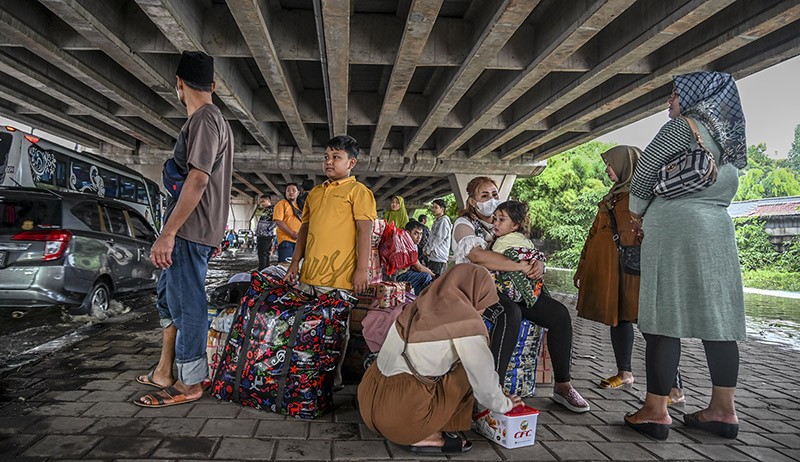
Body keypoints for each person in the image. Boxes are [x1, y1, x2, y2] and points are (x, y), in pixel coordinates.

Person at [623, 72, 747, 441]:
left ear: (694, 97)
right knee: (719, 321)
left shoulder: (684, 127)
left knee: (664, 316)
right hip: (717, 231)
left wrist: (636, 212)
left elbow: (644, 171)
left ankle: (655, 410)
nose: (669, 103)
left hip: (674, 228)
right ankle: (723, 411)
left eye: (674, 95)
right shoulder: (732, 138)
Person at [134, 50, 233, 407]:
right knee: (169, 297)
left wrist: (168, 232)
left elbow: (199, 179)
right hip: (198, 229)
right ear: (213, 84)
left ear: (178, 84)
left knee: (188, 303)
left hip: (189, 230)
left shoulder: (206, 119)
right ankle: (165, 370)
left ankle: (191, 381)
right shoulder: (213, 120)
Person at [451, 176, 589, 413]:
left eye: (495, 194)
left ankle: (563, 386)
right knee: (509, 313)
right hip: (480, 289)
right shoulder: (465, 224)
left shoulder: (508, 224)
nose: (492, 200)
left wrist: (538, 265)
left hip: (513, 287)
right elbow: (477, 256)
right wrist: (521, 266)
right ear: (473, 202)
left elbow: (527, 251)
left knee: (559, 314)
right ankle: (492, 389)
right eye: (484, 196)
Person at [358, 264, 523, 454]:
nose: (484, 308)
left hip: (369, 401)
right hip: (400, 417)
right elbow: (484, 385)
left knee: (454, 361)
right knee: (468, 367)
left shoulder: (418, 306)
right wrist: (505, 404)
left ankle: (429, 424)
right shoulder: (466, 323)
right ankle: (426, 434)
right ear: (476, 292)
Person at [574, 146, 686, 404]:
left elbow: (658, 232)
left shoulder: (646, 195)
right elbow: (593, 235)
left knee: (652, 327)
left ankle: (675, 388)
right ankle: (625, 373)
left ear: (625, 165)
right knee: (619, 319)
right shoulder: (611, 197)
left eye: (611, 165)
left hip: (637, 270)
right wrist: (582, 268)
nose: (607, 170)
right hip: (612, 272)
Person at [490, 200, 545, 309]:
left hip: (509, 292)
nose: (495, 223)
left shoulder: (501, 242)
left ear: (515, 225)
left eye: (501, 220)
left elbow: (492, 261)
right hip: (530, 292)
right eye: (495, 218)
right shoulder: (525, 240)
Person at [394, 220, 435, 295]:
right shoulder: (405, 245)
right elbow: (419, 267)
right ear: (408, 233)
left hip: (404, 273)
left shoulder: (413, 245)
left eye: (421, 234)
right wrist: (435, 276)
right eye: (416, 233)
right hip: (397, 277)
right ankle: (418, 301)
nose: (419, 237)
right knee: (426, 277)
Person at [274, 183, 302, 262]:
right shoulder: (281, 204)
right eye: (288, 190)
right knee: (285, 266)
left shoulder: (301, 206)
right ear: (285, 193)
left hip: (299, 241)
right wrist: (292, 233)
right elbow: (278, 221)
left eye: (293, 190)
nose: (291, 192)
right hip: (286, 240)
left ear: (298, 193)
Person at [424, 198, 452, 277]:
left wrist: (428, 250)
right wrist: (426, 249)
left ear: (442, 209)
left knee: (436, 281)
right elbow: (431, 237)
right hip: (434, 256)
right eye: (433, 207)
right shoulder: (437, 220)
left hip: (439, 257)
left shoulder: (444, 221)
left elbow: (438, 239)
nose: (433, 209)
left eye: (436, 207)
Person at [250, 195, 276, 270]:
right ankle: (265, 269)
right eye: (260, 201)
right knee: (264, 253)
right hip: (263, 235)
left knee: (263, 254)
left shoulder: (271, 209)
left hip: (265, 235)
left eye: (263, 201)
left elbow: (276, 221)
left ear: (269, 201)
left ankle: (262, 270)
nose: (261, 203)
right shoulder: (265, 210)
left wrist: (268, 229)